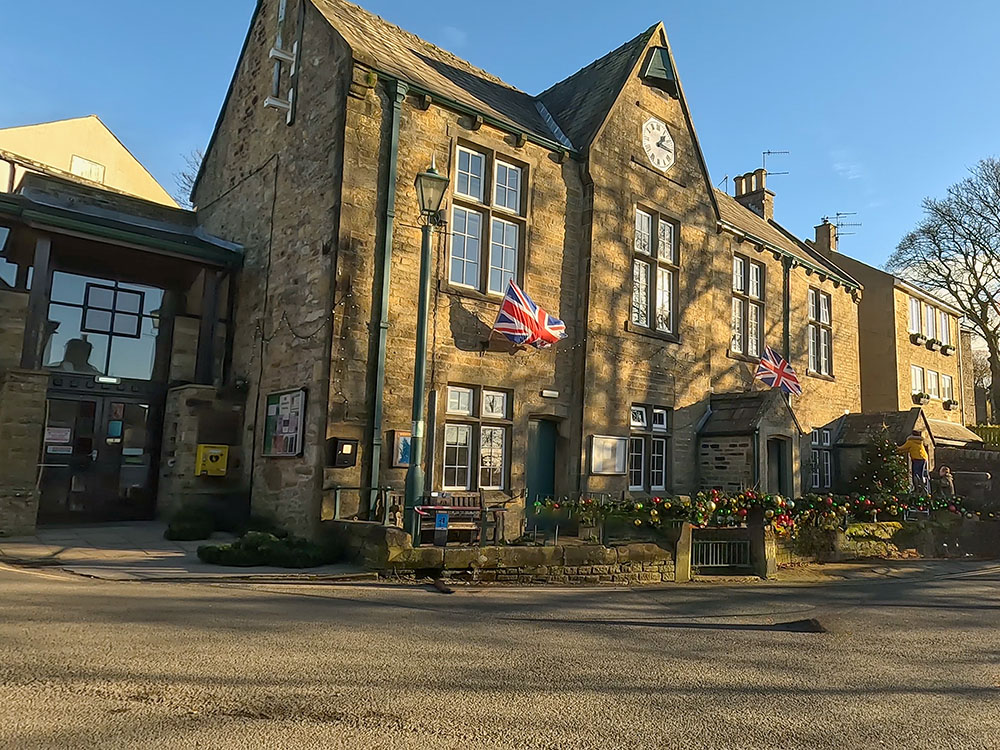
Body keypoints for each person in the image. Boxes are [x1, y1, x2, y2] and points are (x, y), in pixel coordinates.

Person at [897, 429, 930, 494]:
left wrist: (895, 448)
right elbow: (908, 449)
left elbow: (903, 448)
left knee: (915, 474)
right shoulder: (920, 442)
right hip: (924, 458)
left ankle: (917, 488)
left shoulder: (911, 441)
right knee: (921, 474)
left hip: (917, 459)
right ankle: (923, 488)